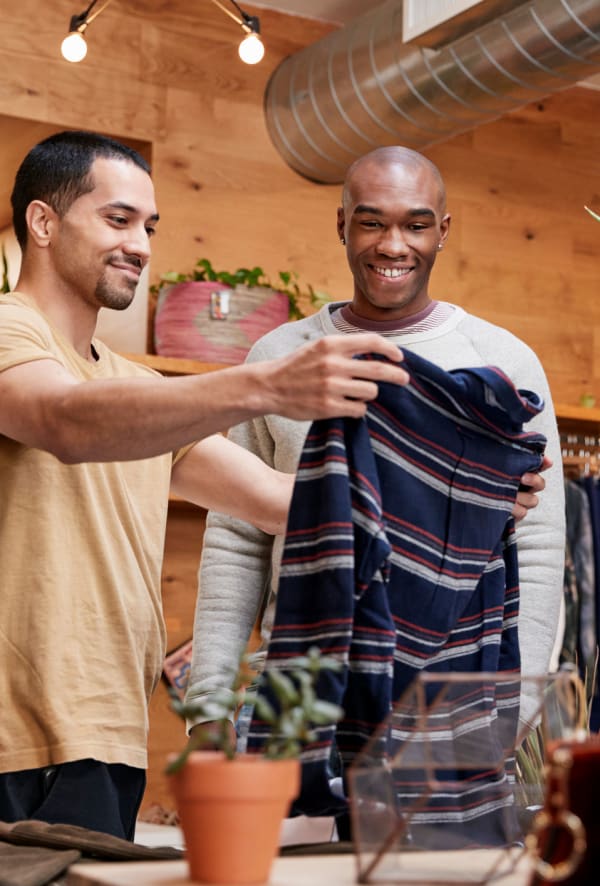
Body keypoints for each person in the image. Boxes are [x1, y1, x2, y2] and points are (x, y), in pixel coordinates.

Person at [0, 131, 410, 839]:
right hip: (11, 740)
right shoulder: (10, 333)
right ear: (42, 221)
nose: (140, 245)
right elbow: (63, 419)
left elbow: (286, 505)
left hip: (109, 739)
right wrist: (263, 385)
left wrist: (475, 491)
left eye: (150, 227)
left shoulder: (135, 389)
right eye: (118, 219)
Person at [186, 146, 565, 757]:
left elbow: (540, 546)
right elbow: (236, 537)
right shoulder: (280, 359)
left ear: (443, 231)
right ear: (342, 224)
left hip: (451, 703)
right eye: (371, 222)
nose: (393, 245)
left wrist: (516, 709)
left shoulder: (503, 365)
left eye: (415, 225)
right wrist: (208, 706)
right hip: (296, 693)